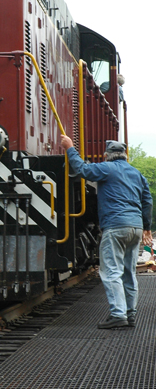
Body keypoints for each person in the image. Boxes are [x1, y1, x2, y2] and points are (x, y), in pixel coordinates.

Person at [60, 135, 152, 329]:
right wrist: (146, 227)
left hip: (115, 226)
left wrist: (69, 148)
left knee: (111, 272)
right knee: (129, 272)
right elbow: (147, 201)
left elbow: (83, 169)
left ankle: (118, 314)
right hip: (135, 228)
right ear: (125, 156)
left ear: (107, 155)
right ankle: (130, 313)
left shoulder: (107, 168)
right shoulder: (137, 174)